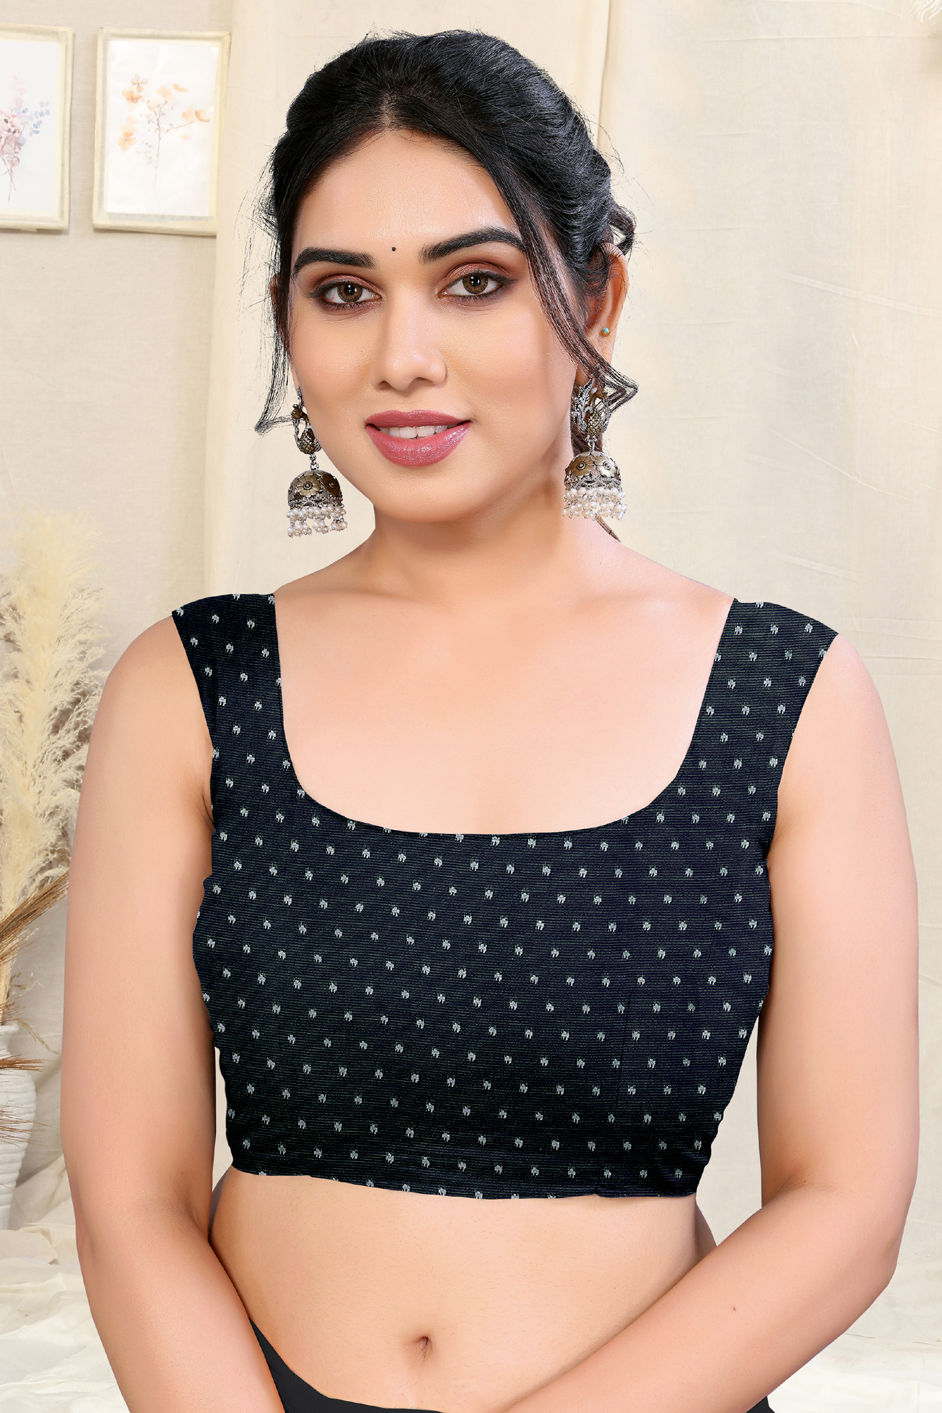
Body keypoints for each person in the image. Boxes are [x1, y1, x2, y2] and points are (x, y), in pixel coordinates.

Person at [61, 27, 919, 1413]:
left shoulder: (786, 695)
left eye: (475, 281)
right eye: (344, 291)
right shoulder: (191, 687)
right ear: (288, 321)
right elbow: (128, 1198)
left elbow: (846, 1206)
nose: (403, 357)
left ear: (599, 298)